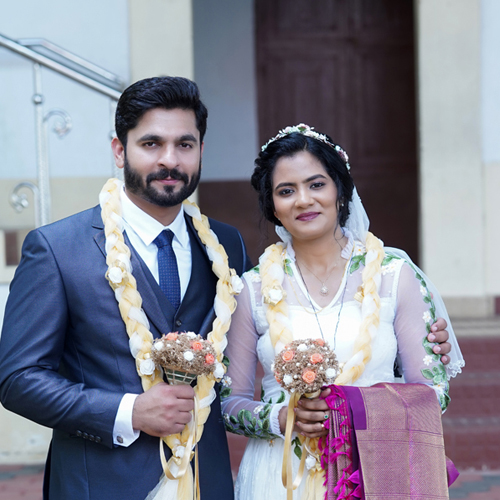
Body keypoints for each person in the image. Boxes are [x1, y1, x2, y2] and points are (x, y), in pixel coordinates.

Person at [0, 76, 251, 500]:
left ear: (201, 151)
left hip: (206, 483)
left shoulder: (226, 244)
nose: (169, 160)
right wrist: (129, 412)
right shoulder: (58, 249)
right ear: (120, 150)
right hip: (99, 485)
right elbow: (18, 379)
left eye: (185, 145)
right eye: (151, 144)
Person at [221, 124, 464, 499]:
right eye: (286, 191)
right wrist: (281, 417)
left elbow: (434, 392)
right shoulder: (251, 289)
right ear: (272, 205)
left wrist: (349, 410)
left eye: (317, 184)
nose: (303, 200)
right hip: (279, 474)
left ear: (340, 190)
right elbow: (228, 402)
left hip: (378, 466)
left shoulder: (393, 274)